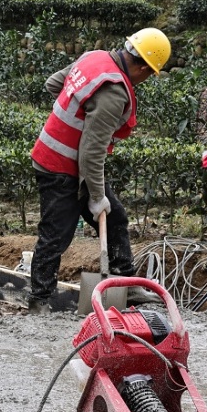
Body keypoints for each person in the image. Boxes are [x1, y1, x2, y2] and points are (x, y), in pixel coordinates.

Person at [27, 28, 171, 314]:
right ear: (142, 66)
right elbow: (91, 152)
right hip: (59, 167)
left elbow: (54, 84)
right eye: (149, 73)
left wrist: (77, 109)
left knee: (115, 217)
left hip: (66, 161)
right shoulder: (113, 93)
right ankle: (39, 301)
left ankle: (125, 284)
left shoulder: (95, 58)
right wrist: (95, 196)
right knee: (56, 233)